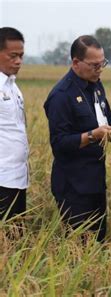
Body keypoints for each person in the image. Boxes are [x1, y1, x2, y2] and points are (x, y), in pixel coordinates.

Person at [44, 35, 111, 242]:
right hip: (72, 186)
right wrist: (92, 135)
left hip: (95, 181)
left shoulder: (96, 85)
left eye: (102, 63)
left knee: (98, 241)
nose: (100, 69)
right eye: (94, 65)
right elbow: (59, 144)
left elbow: (107, 119)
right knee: (78, 246)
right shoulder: (61, 96)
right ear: (76, 63)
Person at [0, 27, 28, 221]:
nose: (18, 61)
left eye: (21, 56)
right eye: (13, 56)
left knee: (16, 238)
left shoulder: (13, 86)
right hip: (1, 178)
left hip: (18, 177)